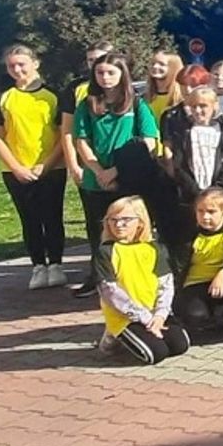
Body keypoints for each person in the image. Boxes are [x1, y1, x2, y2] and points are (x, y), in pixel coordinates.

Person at [71, 53, 159, 298]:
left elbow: (150, 141)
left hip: (128, 180)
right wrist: (99, 171)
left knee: (129, 229)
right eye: (100, 72)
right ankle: (100, 278)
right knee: (99, 232)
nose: (105, 77)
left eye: (111, 72)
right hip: (96, 180)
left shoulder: (137, 104)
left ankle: (132, 280)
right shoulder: (87, 105)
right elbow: (81, 141)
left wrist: (116, 170)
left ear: (123, 74)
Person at [0, 44, 69, 290]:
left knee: (52, 216)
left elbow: (63, 134)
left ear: (35, 63)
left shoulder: (53, 96)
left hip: (52, 168)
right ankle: (38, 266)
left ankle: (56, 264)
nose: (17, 70)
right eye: (11, 66)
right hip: (16, 171)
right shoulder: (2, 98)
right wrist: (16, 167)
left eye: (21, 64)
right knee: (29, 219)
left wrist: (46, 165)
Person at [94, 196, 191, 364]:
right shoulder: (106, 252)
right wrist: (144, 318)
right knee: (156, 354)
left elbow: (166, 283)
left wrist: (160, 315)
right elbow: (110, 292)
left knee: (179, 345)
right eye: (113, 220)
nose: (119, 224)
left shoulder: (154, 248)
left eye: (126, 220)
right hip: (125, 315)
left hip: (153, 311)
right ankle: (113, 336)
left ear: (140, 222)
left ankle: (134, 335)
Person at [173, 187, 223, 337]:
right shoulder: (190, 236)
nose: (205, 217)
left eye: (211, 212)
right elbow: (179, 266)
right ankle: (210, 316)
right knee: (197, 316)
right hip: (195, 284)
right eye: (200, 211)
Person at [169, 86, 223, 240]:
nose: (198, 111)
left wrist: (218, 188)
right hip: (192, 193)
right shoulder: (183, 133)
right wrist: (195, 190)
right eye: (194, 106)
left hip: (219, 192)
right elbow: (179, 164)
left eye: (203, 106)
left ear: (214, 106)